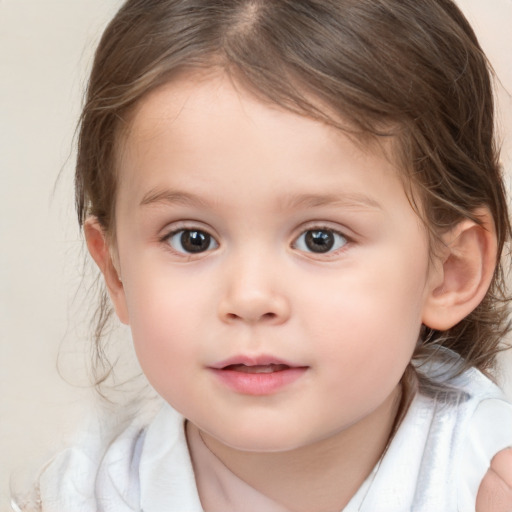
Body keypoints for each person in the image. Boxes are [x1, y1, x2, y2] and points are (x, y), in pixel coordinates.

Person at [12, 0, 512, 510]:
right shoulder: (83, 494)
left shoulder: (484, 476)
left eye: (321, 238)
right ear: (116, 272)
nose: (249, 297)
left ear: (451, 271)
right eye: (192, 239)